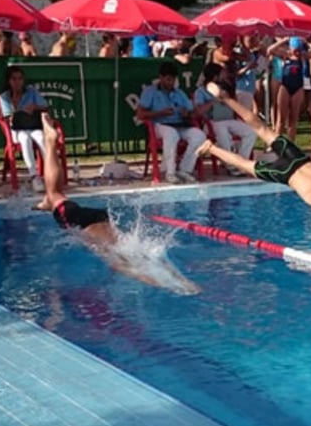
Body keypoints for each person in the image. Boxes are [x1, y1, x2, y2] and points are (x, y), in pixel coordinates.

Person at [34, 115, 200, 295]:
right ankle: (50, 143)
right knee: (55, 194)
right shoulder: (122, 248)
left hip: (92, 220)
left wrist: (177, 284)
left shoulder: (118, 249)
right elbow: (130, 268)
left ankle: (50, 150)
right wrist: (175, 285)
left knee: (55, 195)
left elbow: (130, 267)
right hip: (93, 220)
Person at [197, 83, 311, 234]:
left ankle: (226, 99)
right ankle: (211, 148)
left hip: (298, 158)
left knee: (262, 128)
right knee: (244, 164)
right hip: (284, 173)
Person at [136, 61, 205, 184]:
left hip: (179, 124)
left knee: (199, 135)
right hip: (159, 125)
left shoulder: (179, 93)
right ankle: (170, 172)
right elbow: (140, 114)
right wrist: (160, 113)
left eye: (173, 80)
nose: (171, 83)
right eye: (168, 79)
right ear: (160, 77)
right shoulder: (150, 92)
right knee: (171, 134)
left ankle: (185, 169)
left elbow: (193, 112)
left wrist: (187, 114)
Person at [193, 63, 257, 170]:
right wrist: (213, 102)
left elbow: (235, 106)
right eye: (221, 74)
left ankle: (241, 163)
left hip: (228, 119)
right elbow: (198, 111)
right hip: (211, 122)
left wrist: (228, 97)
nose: (224, 76)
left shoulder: (225, 87)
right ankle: (230, 165)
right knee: (222, 131)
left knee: (251, 132)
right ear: (215, 76)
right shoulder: (200, 92)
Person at [0, 65, 48, 192]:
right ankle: (34, 176)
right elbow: (7, 117)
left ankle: (51, 171)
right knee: (25, 139)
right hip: (16, 129)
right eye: (14, 79)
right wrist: (17, 107)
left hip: (33, 125)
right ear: (8, 81)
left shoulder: (31, 91)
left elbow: (45, 106)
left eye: (20, 79)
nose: (17, 82)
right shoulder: (4, 97)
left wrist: (34, 107)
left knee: (41, 137)